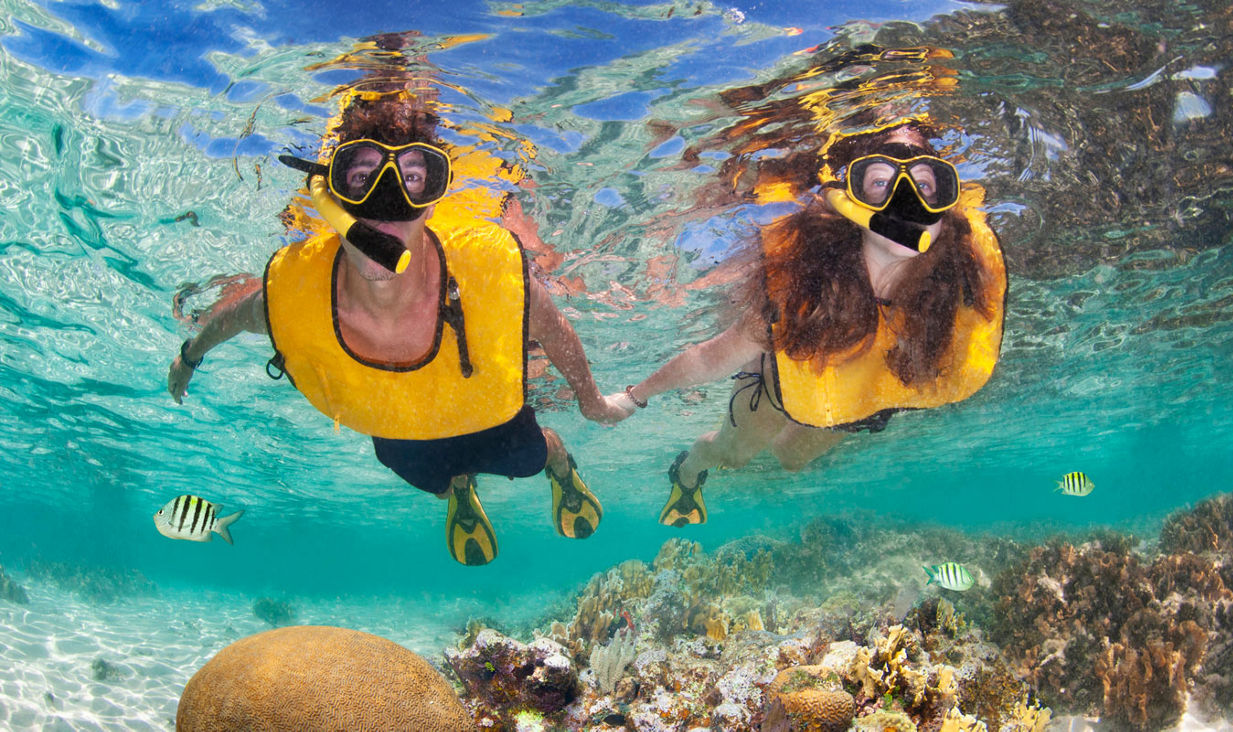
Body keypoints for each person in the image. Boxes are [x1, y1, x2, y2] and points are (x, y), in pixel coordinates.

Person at [168, 86, 630, 565]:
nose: (385, 202)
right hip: (398, 425)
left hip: (483, 409)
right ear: (336, 199)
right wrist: (188, 356)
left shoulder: (492, 279)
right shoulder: (292, 295)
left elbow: (555, 330)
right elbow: (231, 318)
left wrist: (591, 402)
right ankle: (458, 491)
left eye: (412, 177)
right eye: (362, 175)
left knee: (532, 459)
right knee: (434, 483)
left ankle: (560, 464)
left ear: (432, 202)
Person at [607, 122, 1006, 527]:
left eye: (923, 186)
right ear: (852, 204)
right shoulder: (808, 288)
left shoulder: (957, 290)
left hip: (850, 404)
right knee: (734, 455)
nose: (905, 203)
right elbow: (710, 359)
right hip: (778, 386)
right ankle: (689, 472)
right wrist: (634, 396)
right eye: (881, 183)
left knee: (791, 459)